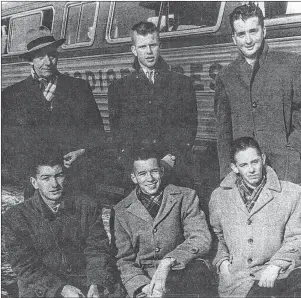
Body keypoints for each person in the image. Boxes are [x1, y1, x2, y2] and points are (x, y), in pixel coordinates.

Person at [2, 149, 125, 298]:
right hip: (43, 287)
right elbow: (25, 266)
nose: (54, 184)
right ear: (34, 182)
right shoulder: (15, 217)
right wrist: (61, 288)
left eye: (59, 176)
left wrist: (96, 282)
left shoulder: (86, 206)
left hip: (86, 281)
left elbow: (98, 248)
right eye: (46, 178)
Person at [1, 26, 105, 194]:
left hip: (76, 181)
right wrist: (30, 173)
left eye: (52, 55)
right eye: (41, 56)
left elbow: (97, 133)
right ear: (30, 60)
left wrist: (81, 152)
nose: (48, 62)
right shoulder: (11, 95)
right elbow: (8, 144)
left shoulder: (79, 88)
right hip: (36, 187)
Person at [214, 3, 301, 184]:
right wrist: (227, 175)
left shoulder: (291, 64)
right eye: (241, 34)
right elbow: (223, 132)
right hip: (244, 174)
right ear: (233, 38)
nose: (248, 40)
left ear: (264, 31)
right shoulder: (225, 76)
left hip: (285, 170)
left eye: (253, 31)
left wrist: (292, 155)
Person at [112, 148, 214, 298]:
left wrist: (169, 261)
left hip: (183, 275)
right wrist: (143, 287)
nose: (150, 178)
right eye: (142, 174)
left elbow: (200, 238)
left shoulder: (185, 197)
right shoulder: (121, 210)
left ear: (162, 171)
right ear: (133, 178)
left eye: (154, 171)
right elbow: (124, 260)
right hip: (145, 281)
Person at [108, 21, 198, 191]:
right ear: (134, 50)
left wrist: (170, 157)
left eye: (153, 45)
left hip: (174, 169)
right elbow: (119, 135)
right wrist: (137, 167)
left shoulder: (182, 84)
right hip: (139, 174)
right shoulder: (118, 89)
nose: (149, 52)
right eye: (142, 47)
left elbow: (189, 127)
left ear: (160, 46)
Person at [209, 136, 301, 298]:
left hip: (278, 277)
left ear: (263, 159)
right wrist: (223, 263)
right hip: (237, 280)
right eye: (244, 165)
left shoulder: (291, 193)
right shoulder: (220, 196)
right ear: (234, 167)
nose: (251, 170)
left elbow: (297, 238)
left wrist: (276, 265)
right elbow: (217, 237)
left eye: (255, 162)